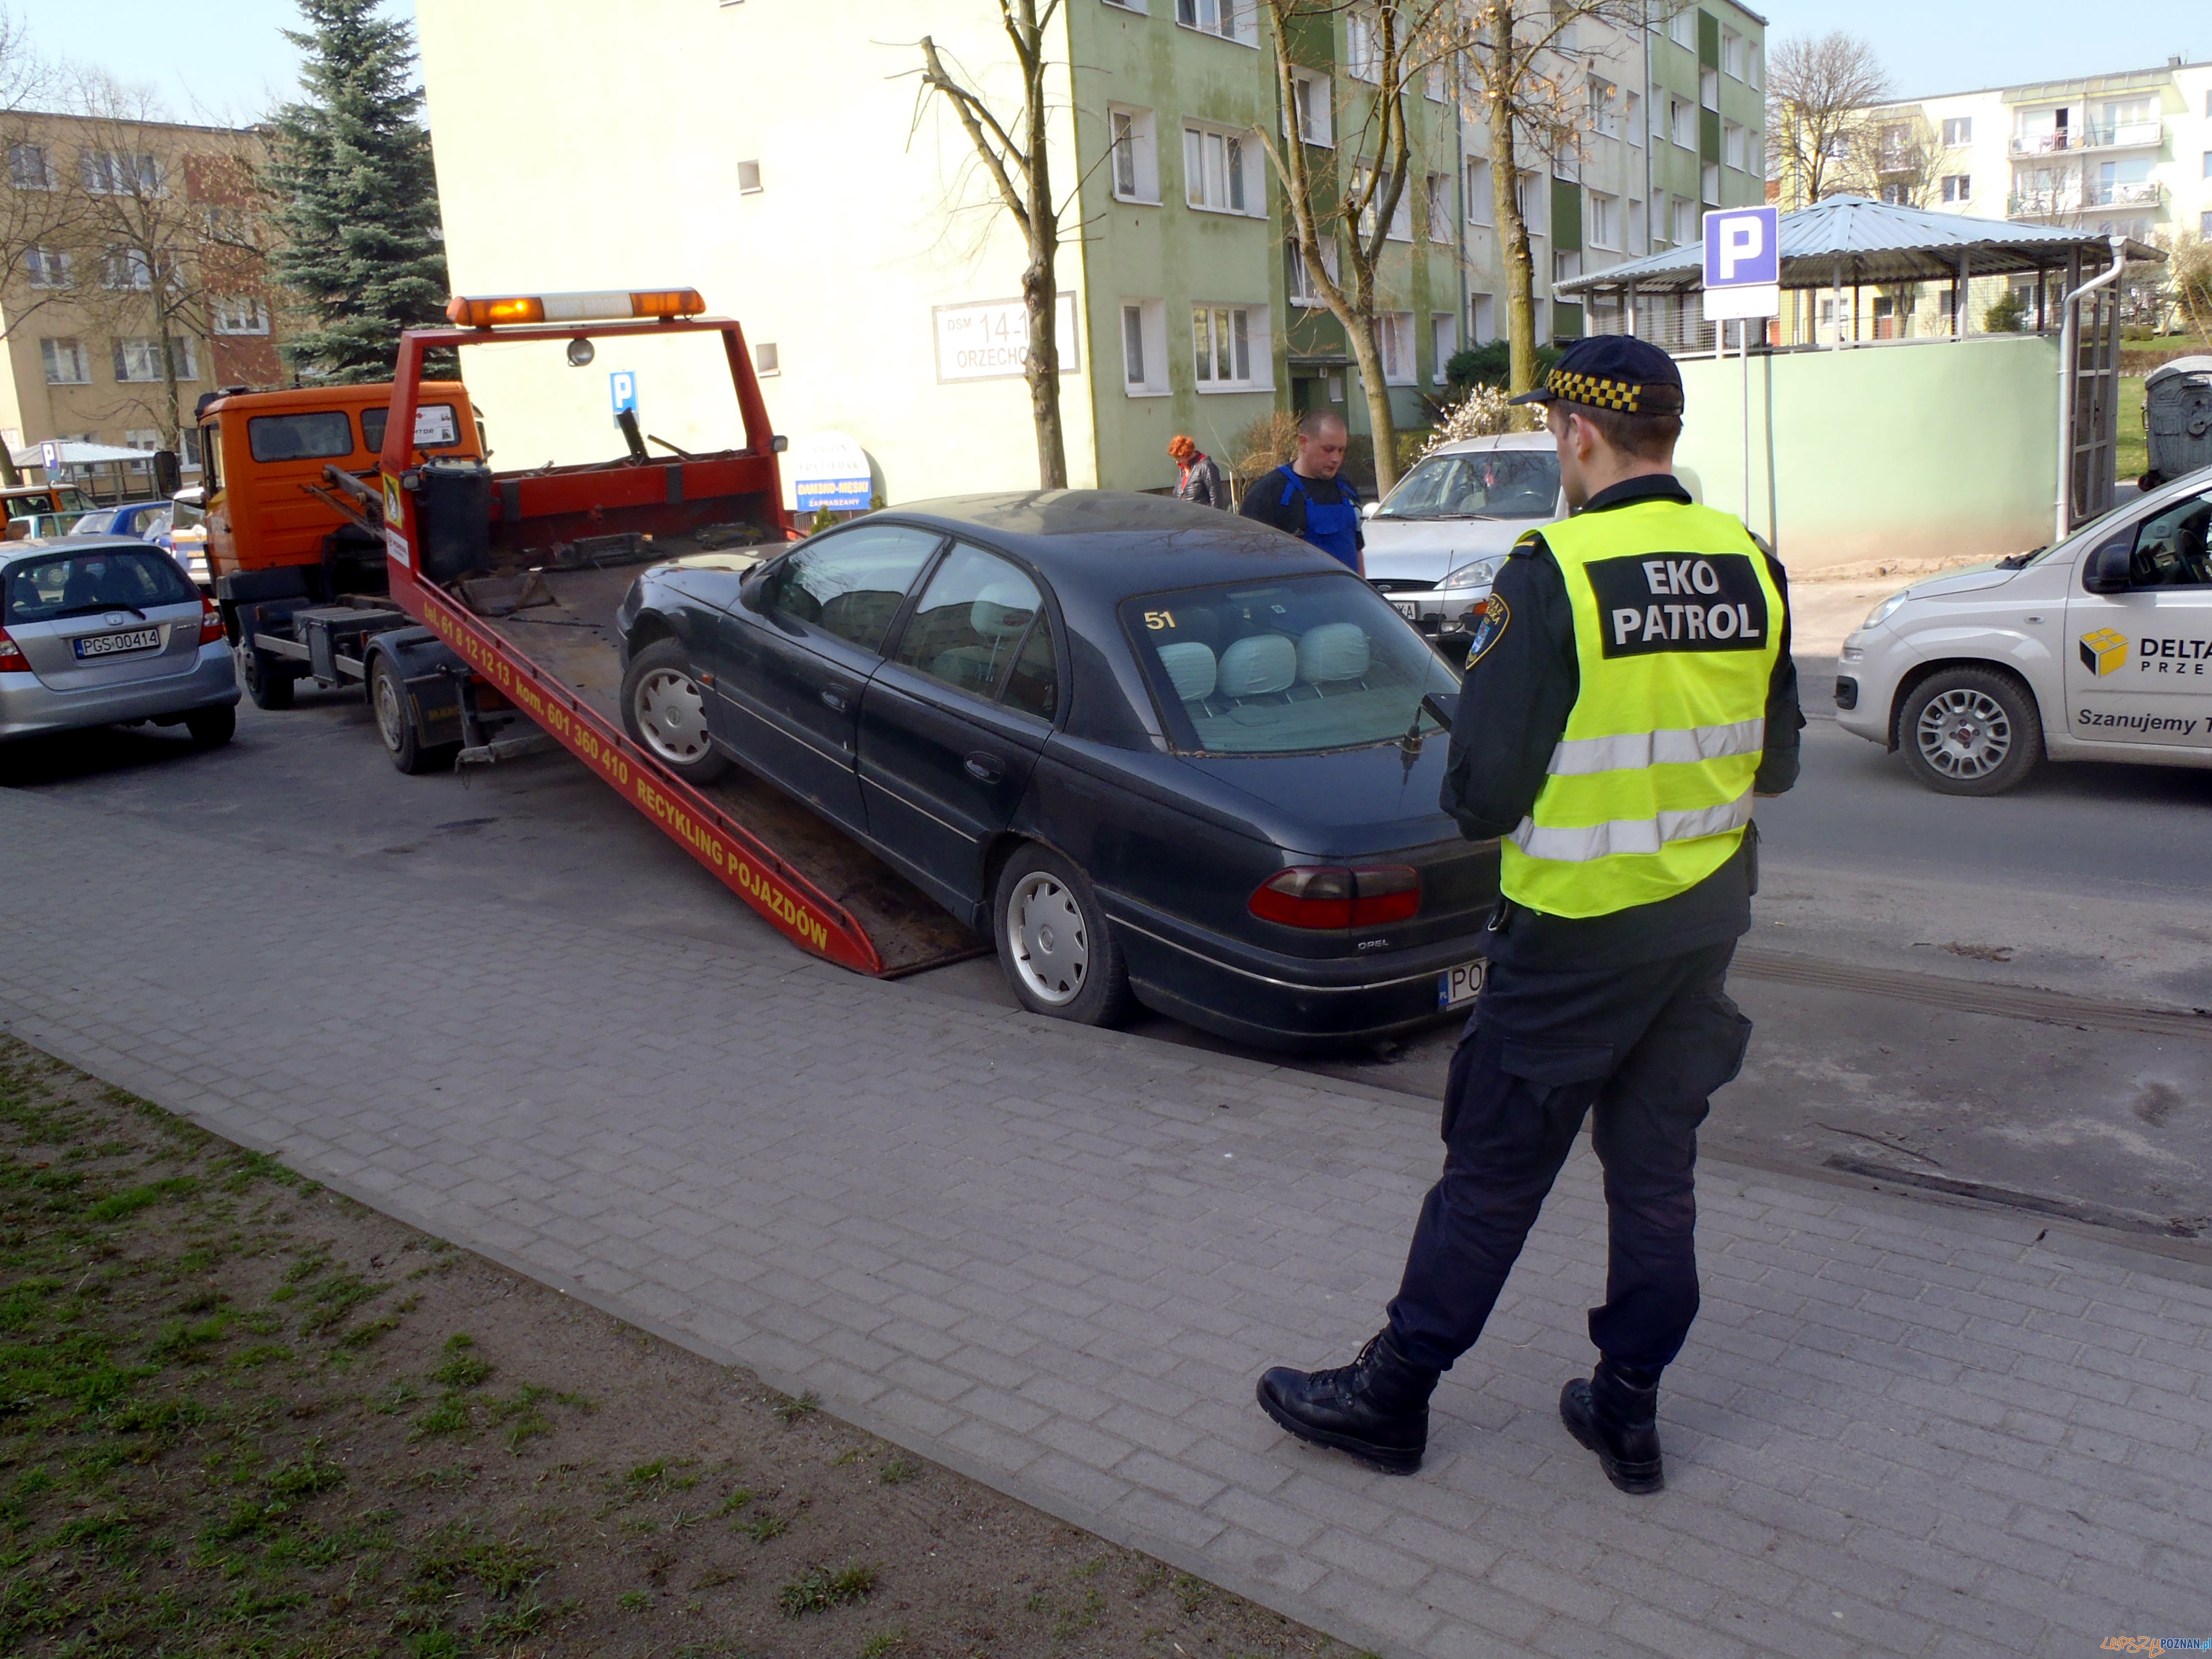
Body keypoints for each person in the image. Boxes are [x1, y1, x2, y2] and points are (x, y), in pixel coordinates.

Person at [1253, 335, 1802, 1495]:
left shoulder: (1553, 569)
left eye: (1554, 426)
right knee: (1653, 1180)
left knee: (1492, 1176)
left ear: (1576, 434)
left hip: (1570, 938)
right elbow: (1782, 763)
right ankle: (1627, 1412)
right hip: (1699, 929)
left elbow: (1483, 795)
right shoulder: (1747, 562)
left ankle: (1390, 1397)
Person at [1237, 408, 1363, 575]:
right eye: (1328, 449)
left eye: (1341, 450)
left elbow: (1357, 550)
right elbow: (1248, 561)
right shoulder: (1270, 493)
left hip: (1347, 597)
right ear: (1303, 443)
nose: (1336, 458)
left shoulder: (1347, 489)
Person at [1167, 435, 1225, 509]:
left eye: (1178, 458)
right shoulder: (1183, 470)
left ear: (1186, 454)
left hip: (1202, 518)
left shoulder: (1206, 467)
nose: (1177, 462)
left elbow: (1217, 499)